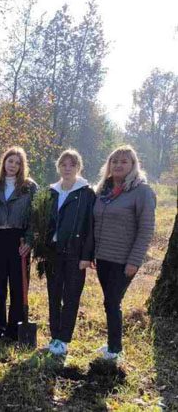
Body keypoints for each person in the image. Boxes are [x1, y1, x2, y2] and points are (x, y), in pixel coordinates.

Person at [94, 145, 156, 362]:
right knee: (109, 301)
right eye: (115, 161)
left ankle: (115, 351)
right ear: (109, 165)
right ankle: (112, 344)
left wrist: (134, 261)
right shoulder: (104, 191)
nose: (119, 165)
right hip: (102, 257)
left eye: (124, 161)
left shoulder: (142, 192)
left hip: (124, 260)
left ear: (133, 165)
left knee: (112, 301)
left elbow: (146, 229)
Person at [43, 150, 95, 356]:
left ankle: (64, 339)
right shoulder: (52, 191)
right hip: (54, 252)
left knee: (71, 295)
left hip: (75, 253)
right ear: (59, 167)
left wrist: (86, 256)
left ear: (78, 168)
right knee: (54, 294)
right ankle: (54, 335)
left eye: (71, 165)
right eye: (63, 164)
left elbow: (90, 226)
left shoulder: (86, 193)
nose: (67, 168)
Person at [0, 146, 37, 340]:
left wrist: (30, 241)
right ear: (4, 162)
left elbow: (34, 217)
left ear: (22, 165)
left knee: (18, 284)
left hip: (19, 239)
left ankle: (14, 328)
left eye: (17, 162)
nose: (13, 165)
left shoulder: (29, 187)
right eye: (10, 161)